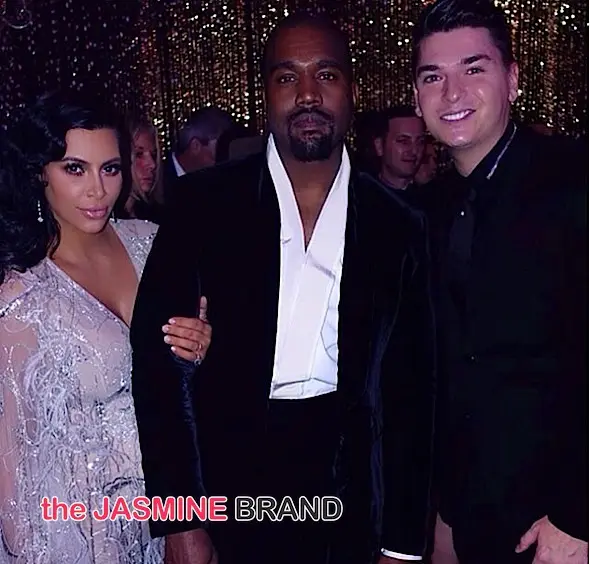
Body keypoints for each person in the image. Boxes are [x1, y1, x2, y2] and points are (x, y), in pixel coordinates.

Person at [131, 12, 436, 564]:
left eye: (327, 75)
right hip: (228, 489)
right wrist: (179, 518)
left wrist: (402, 543)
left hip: (351, 496)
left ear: (352, 90)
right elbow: (159, 369)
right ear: (265, 94)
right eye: (287, 77)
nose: (308, 95)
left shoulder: (398, 224)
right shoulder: (203, 204)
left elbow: (412, 392)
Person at [410, 1, 588, 563]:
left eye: (474, 68)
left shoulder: (575, 183)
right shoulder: (424, 211)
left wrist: (578, 516)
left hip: (558, 521)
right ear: (416, 96)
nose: (452, 93)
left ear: (511, 80)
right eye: (433, 76)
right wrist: (444, 510)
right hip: (467, 518)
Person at [0, 92, 212, 563]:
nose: (97, 190)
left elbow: (202, 391)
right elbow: (11, 455)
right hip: (75, 529)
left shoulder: (152, 245)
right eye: (75, 169)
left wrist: (202, 349)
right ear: (39, 172)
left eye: (110, 169)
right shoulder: (20, 294)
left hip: (165, 511)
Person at [118, 113, 165, 224]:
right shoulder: (103, 221)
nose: (152, 165)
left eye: (153, 155)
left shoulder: (159, 216)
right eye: (139, 154)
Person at [373, 105, 426, 192]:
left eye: (420, 142)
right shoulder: (359, 195)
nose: (414, 151)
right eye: (404, 141)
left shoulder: (436, 196)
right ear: (380, 146)